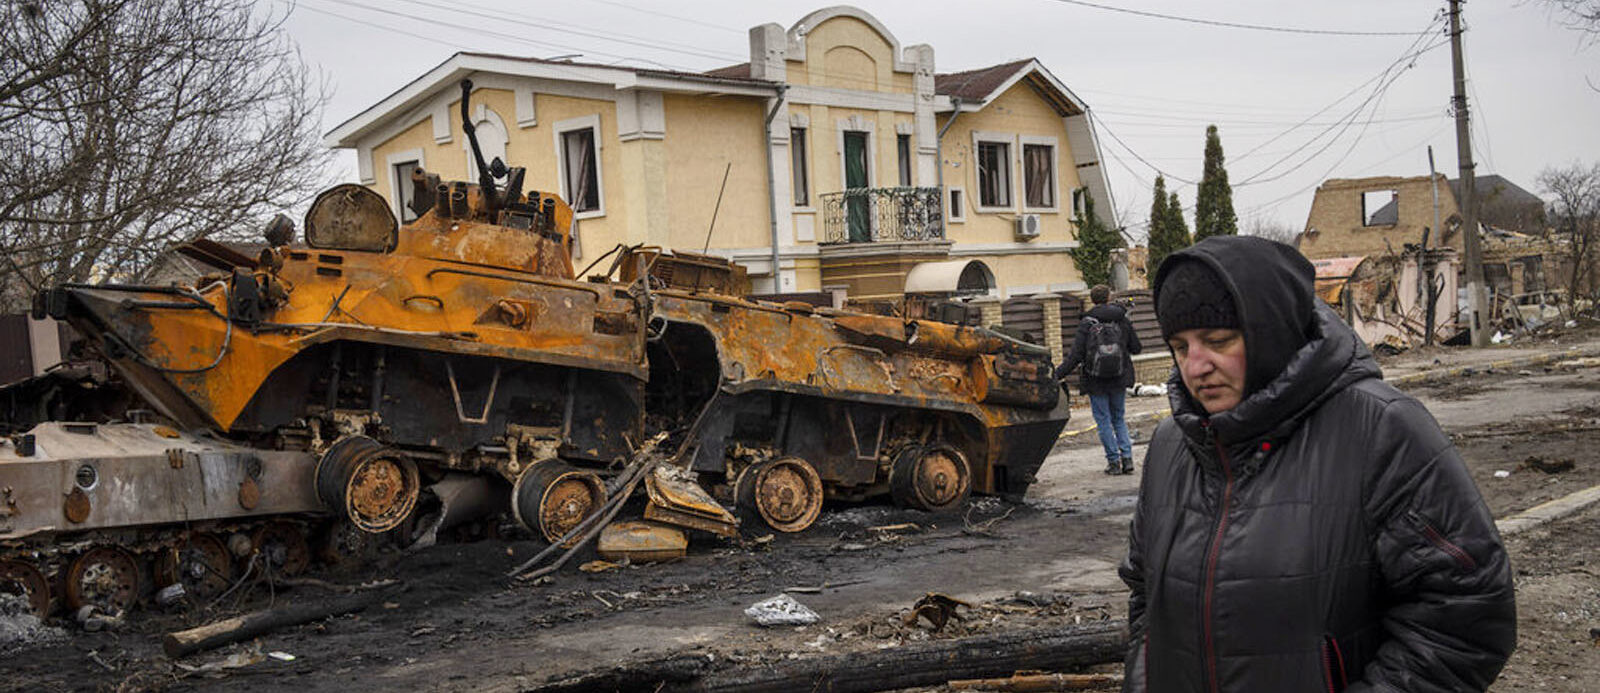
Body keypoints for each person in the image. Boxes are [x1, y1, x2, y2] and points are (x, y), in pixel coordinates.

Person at [1120, 236, 1516, 692]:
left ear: (1274, 330)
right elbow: (1147, 598)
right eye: (1179, 346)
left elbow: (1466, 613)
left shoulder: (1381, 430)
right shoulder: (1173, 444)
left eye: (1218, 340)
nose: (1196, 366)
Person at [1055, 284, 1142, 475]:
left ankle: (1113, 463)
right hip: (1119, 377)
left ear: (1093, 300)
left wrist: (1056, 375)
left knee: (1103, 421)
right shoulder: (1122, 319)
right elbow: (1136, 348)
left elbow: (1075, 355)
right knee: (1118, 418)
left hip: (1095, 381)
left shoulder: (1087, 323)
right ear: (1109, 297)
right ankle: (1127, 459)